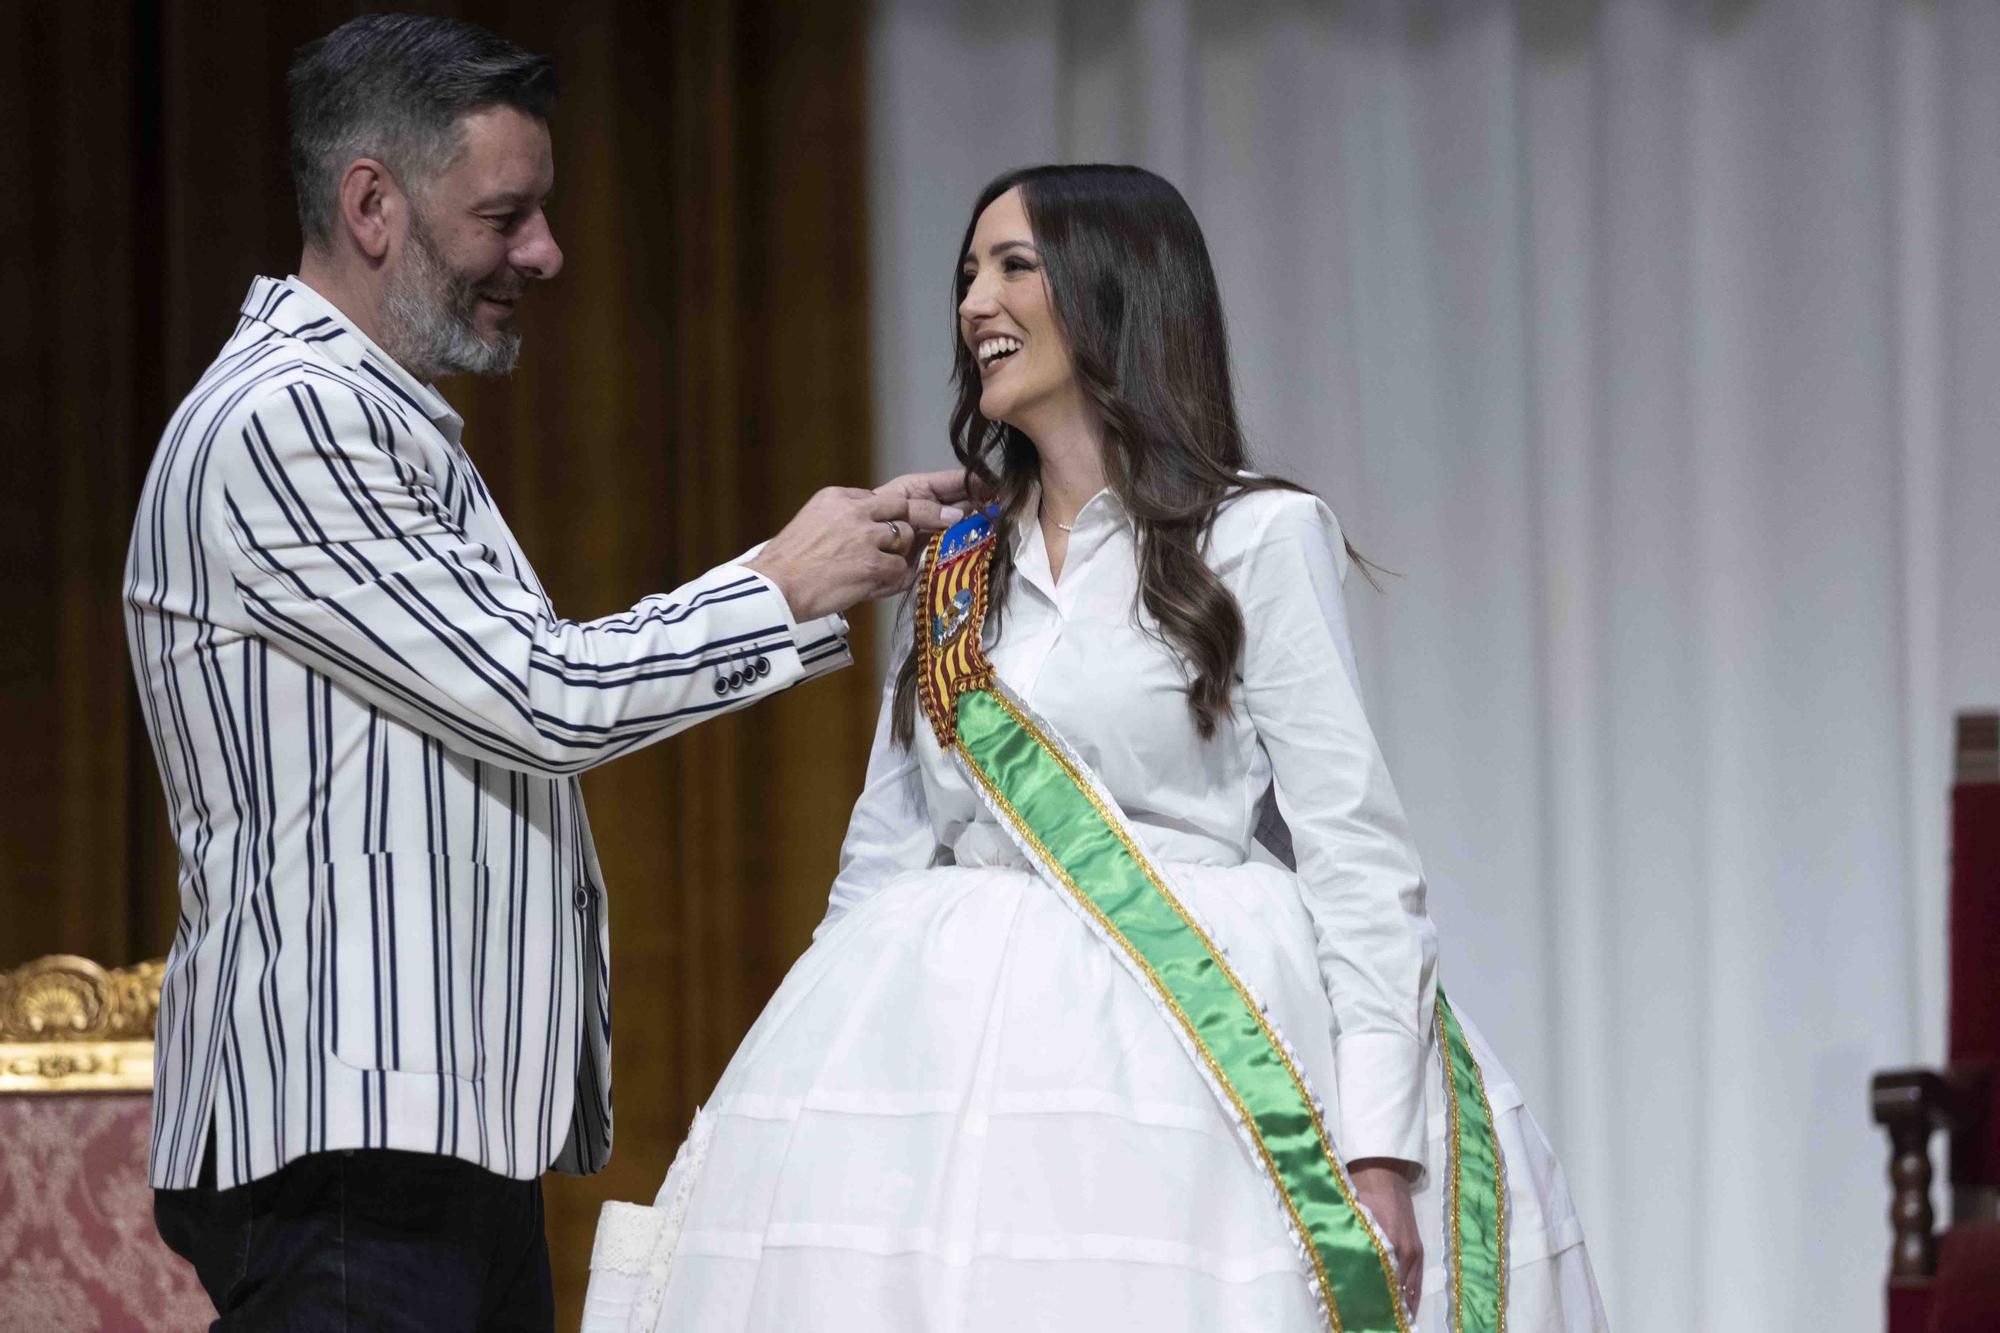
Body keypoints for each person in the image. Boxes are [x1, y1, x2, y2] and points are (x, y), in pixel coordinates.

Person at [582, 165, 1608, 1332]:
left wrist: (1377, 1150)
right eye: (968, 270)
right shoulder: (956, 566)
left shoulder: (1258, 534)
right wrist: (804, 1093)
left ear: (1118, 295)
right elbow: (884, 850)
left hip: (1193, 1045)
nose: (975, 299)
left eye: (1014, 265)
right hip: (943, 1046)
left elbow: (1354, 851)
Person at [125, 14, 970, 1330]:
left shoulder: (377, 421)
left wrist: (797, 567)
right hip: (352, 1158)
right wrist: (782, 583)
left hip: (427, 1150)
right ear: (371, 205)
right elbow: (544, 696)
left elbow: (522, 683)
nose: (546, 252)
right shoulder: (289, 417)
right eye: (506, 214)